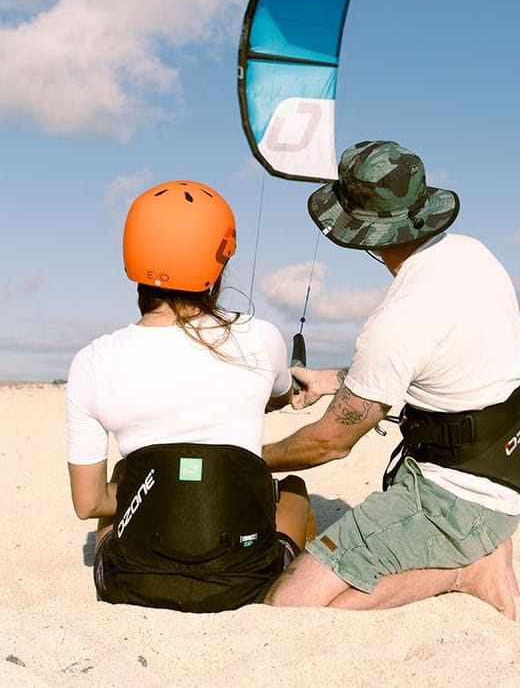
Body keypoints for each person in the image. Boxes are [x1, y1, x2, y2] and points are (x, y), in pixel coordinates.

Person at [262, 140, 520, 619]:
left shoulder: (399, 318)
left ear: (364, 233)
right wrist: (327, 379)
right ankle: (477, 552)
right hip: (502, 477)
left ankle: (465, 569)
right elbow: (437, 364)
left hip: (453, 501)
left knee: (289, 605)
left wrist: (254, 461)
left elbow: (330, 444)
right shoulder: (472, 256)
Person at [66, 179, 315, 613]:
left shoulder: (92, 361)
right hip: (245, 580)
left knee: (125, 483)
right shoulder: (261, 337)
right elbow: (276, 393)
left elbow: (88, 504)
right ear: (219, 262)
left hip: (131, 581)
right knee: (292, 487)